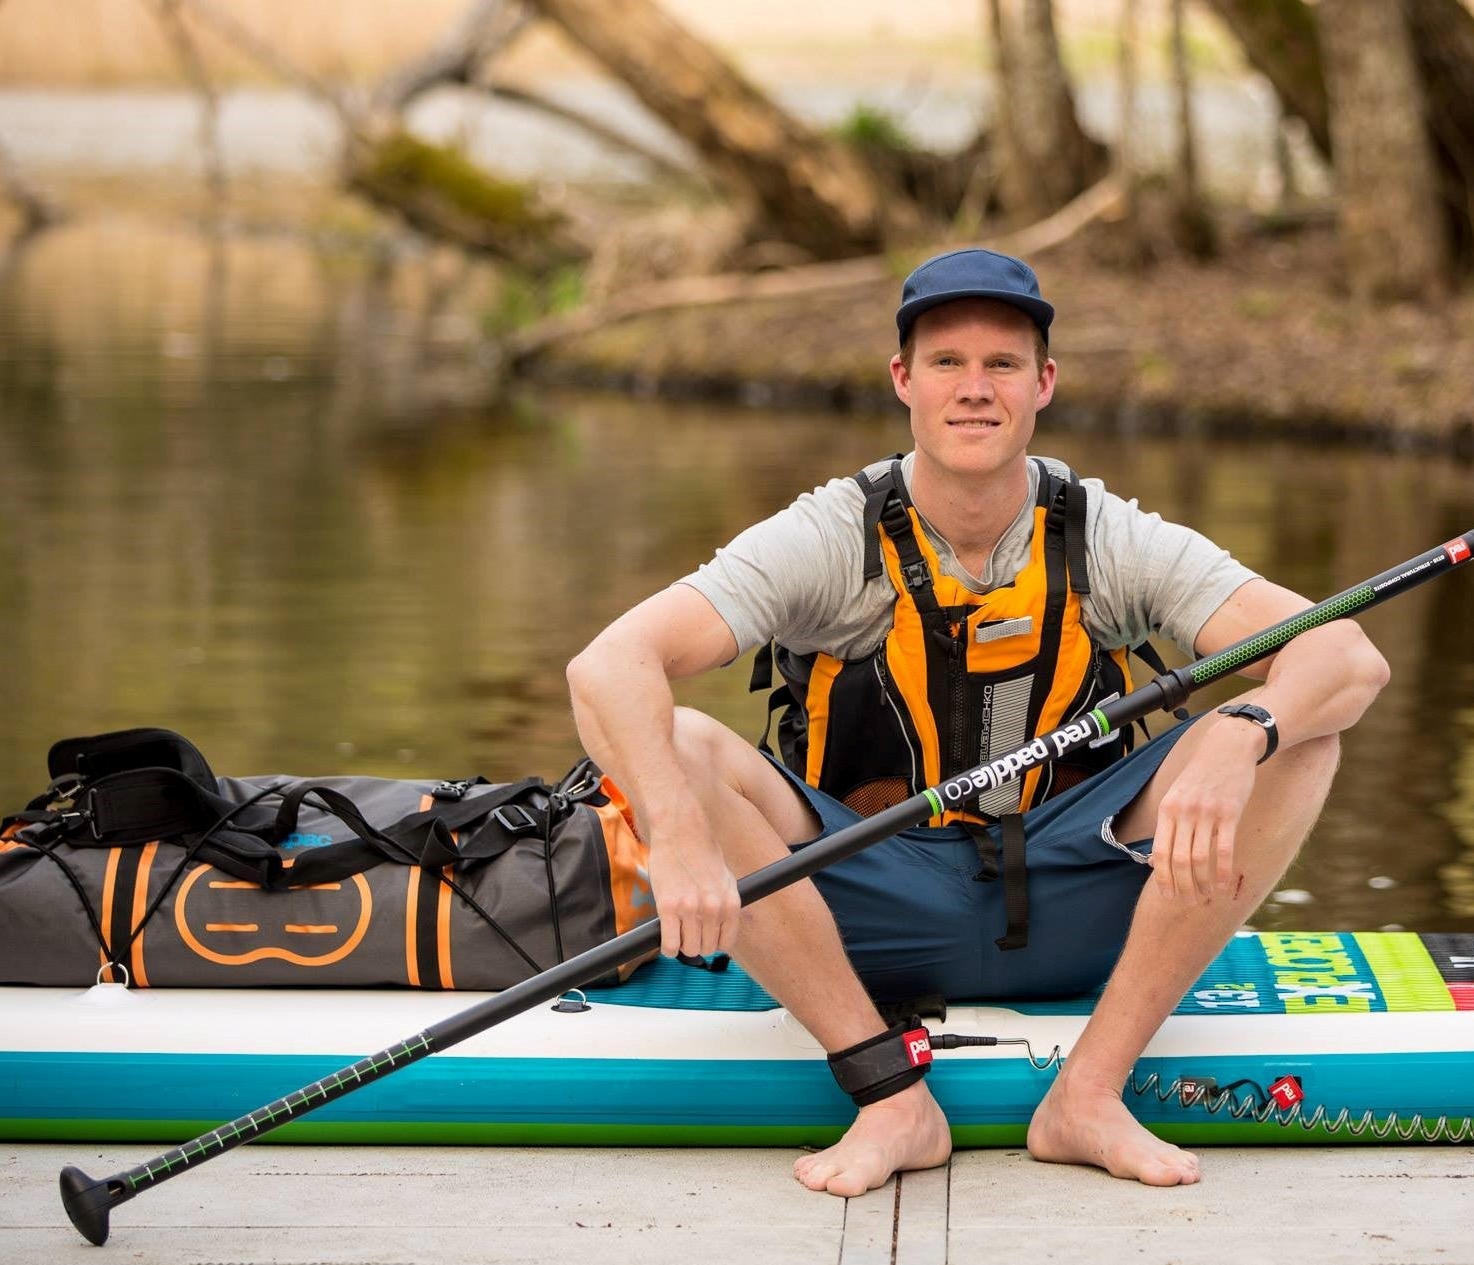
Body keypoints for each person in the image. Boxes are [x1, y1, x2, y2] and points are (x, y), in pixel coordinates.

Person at [567, 248, 1389, 1196]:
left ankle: (1088, 1094)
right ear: (903, 381)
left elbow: (1348, 657)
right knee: (674, 741)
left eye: (1002, 364)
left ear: (1043, 384)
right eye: (947, 362)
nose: (974, 388)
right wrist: (672, 838)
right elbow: (608, 665)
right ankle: (889, 1097)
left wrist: (1244, 731)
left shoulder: (1105, 533)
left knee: (1302, 731)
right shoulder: (833, 535)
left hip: (1082, 904)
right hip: (861, 916)